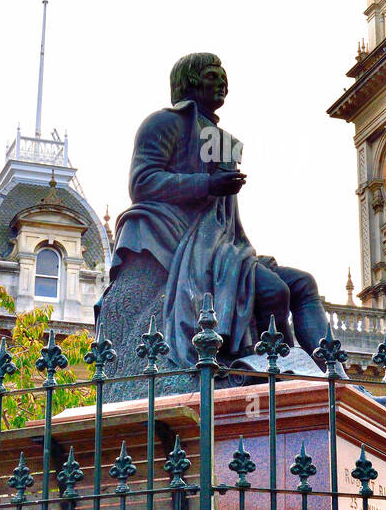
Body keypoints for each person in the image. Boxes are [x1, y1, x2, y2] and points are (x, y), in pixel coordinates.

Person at [102, 52, 330, 363]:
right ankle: (279, 370)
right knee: (274, 291)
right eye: (212, 75)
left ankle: (331, 373)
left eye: (223, 75)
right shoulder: (163, 123)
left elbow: (226, 219)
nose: (222, 82)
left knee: (304, 284)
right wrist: (206, 185)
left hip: (225, 246)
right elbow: (141, 182)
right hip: (186, 243)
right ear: (188, 82)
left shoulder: (222, 140)